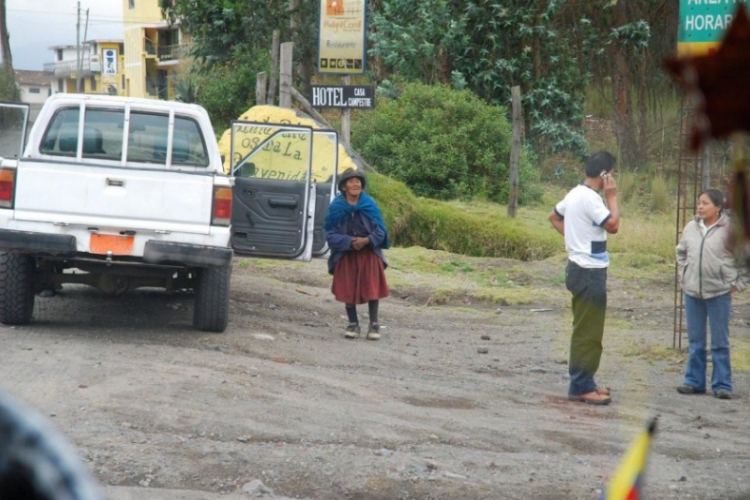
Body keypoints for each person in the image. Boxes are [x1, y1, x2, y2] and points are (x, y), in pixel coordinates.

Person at [548, 151, 619, 406]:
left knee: (585, 327)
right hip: (589, 272)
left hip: (577, 266)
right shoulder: (592, 198)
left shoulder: (574, 193)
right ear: (604, 174)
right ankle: (580, 386)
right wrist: (612, 198)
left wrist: (574, 240)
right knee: (588, 331)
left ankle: (585, 382)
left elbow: (554, 216)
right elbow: (613, 225)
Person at [676, 188, 747, 400]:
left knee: (719, 342)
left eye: (705, 203)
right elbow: (681, 252)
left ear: (718, 207)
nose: (700, 206)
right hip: (693, 292)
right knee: (696, 341)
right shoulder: (691, 227)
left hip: (719, 293)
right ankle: (693, 382)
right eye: (699, 202)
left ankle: (722, 384)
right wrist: (684, 275)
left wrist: (737, 283)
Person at [324, 168, 390, 340]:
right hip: (346, 254)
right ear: (344, 187)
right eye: (351, 181)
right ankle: (353, 323)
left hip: (368, 254)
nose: (356, 184)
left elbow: (381, 231)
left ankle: (374, 325)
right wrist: (349, 242)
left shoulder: (370, 205)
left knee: (372, 288)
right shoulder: (336, 207)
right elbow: (329, 234)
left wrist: (366, 240)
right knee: (348, 287)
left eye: (358, 181)